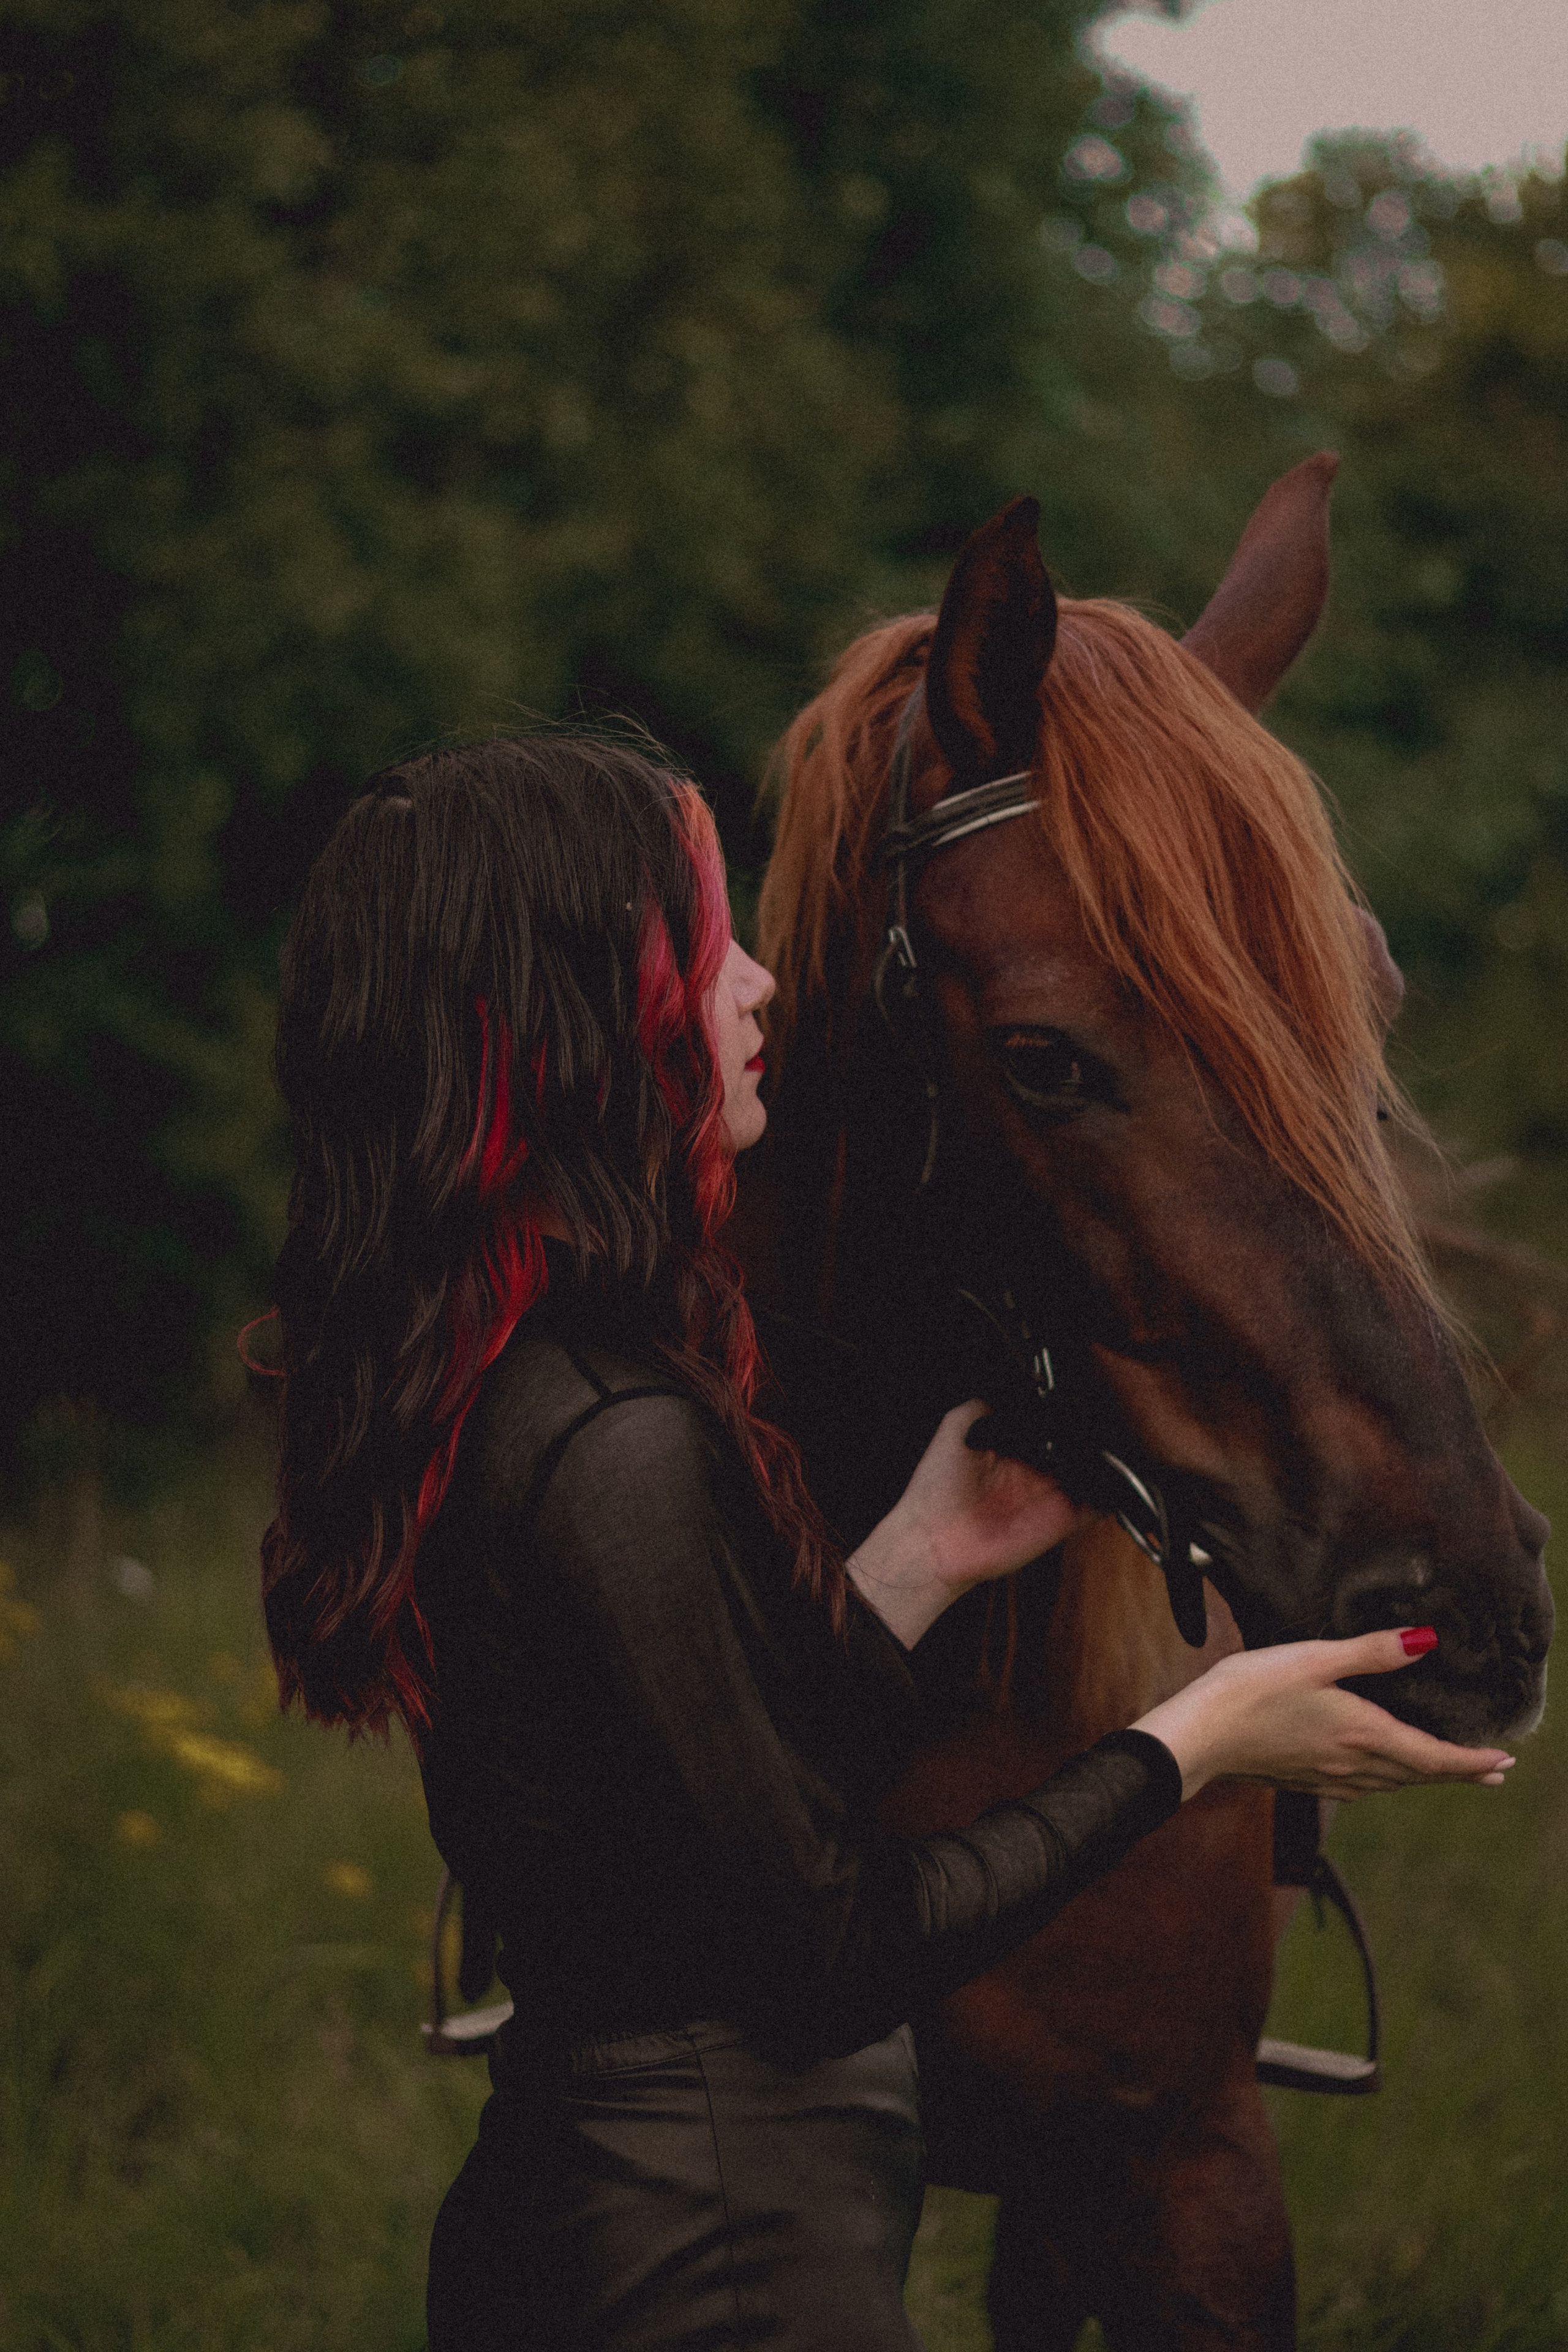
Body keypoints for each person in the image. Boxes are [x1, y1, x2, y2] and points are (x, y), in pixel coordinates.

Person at [260, 737, 1513, 2352]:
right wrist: (1194, 1740)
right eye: (711, 948)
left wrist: (923, 1556)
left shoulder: (526, 1380)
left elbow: (704, 1808)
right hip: (718, 2270)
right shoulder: (625, 1440)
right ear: (588, 1016)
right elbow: (832, 1956)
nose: (767, 984)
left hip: (593, 2228)